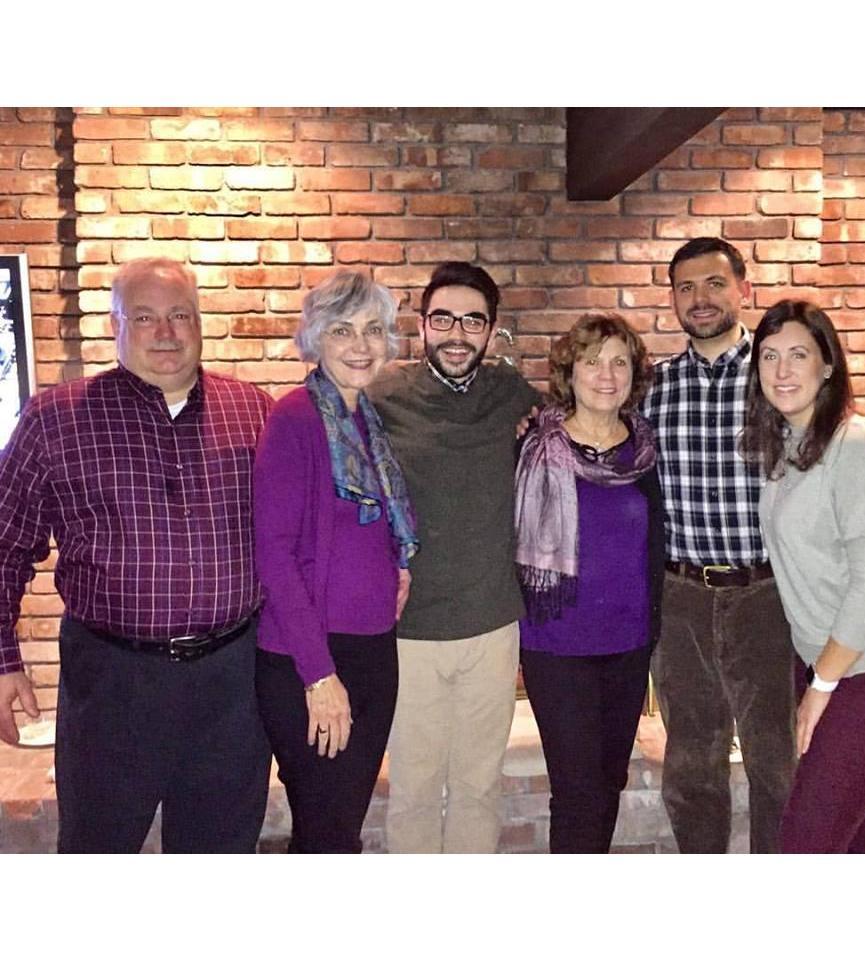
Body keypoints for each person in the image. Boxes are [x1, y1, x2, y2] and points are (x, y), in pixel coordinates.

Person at [645, 237, 865, 854]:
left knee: (780, 759)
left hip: (769, 596)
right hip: (682, 593)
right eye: (685, 287)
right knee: (691, 762)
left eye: (715, 283)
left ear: (743, 289)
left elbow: (845, 454)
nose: (700, 298)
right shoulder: (652, 389)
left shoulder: (776, 378)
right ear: (672, 300)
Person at [0, 257, 272, 853]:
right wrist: (3, 661)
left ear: (199, 321)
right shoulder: (55, 419)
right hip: (112, 684)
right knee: (98, 853)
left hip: (233, 684)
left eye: (180, 315)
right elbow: (4, 547)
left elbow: (295, 536)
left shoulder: (255, 412)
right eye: (144, 317)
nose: (166, 333)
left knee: (221, 858)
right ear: (115, 326)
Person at [740, 299, 865, 853]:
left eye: (798, 355)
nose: (782, 370)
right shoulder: (789, 446)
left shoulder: (855, 443)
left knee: (807, 844)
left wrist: (821, 686)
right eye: (769, 356)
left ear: (827, 365)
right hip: (838, 665)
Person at [367, 261, 540, 853]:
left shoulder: (511, 395)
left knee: (478, 788)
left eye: (473, 321)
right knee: (414, 789)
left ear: (491, 330)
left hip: (492, 624)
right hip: (409, 630)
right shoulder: (382, 397)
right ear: (422, 325)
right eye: (443, 319)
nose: (457, 334)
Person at [253, 271, 418, 853]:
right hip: (313, 658)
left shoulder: (365, 421)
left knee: (340, 826)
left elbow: (376, 522)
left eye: (373, 330)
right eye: (343, 330)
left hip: (372, 651)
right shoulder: (295, 418)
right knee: (327, 832)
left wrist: (397, 565)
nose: (361, 345)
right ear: (316, 338)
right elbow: (274, 554)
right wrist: (319, 675)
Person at [514, 312, 663, 853]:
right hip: (556, 646)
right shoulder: (532, 446)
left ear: (634, 375)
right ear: (569, 371)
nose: (607, 374)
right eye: (592, 361)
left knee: (609, 782)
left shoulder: (647, 451)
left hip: (628, 643)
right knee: (576, 790)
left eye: (620, 362)